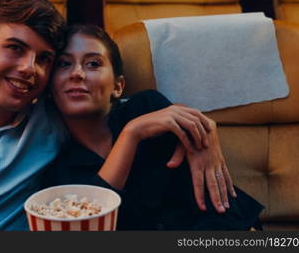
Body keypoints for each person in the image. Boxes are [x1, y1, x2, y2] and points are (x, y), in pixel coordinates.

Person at [0, 0, 237, 231]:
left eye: (45, 59)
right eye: (15, 49)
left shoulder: (53, 119)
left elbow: (112, 113)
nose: (30, 68)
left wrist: (202, 131)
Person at [44, 24, 264, 230]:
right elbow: (96, 225)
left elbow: (213, 198)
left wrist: (204, 130)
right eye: (64, 64)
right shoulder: (60, 168)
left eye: (93, 63)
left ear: (118, 87)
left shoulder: (148, 108)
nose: (77, 73)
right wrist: (132, 135)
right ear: (50, 86)